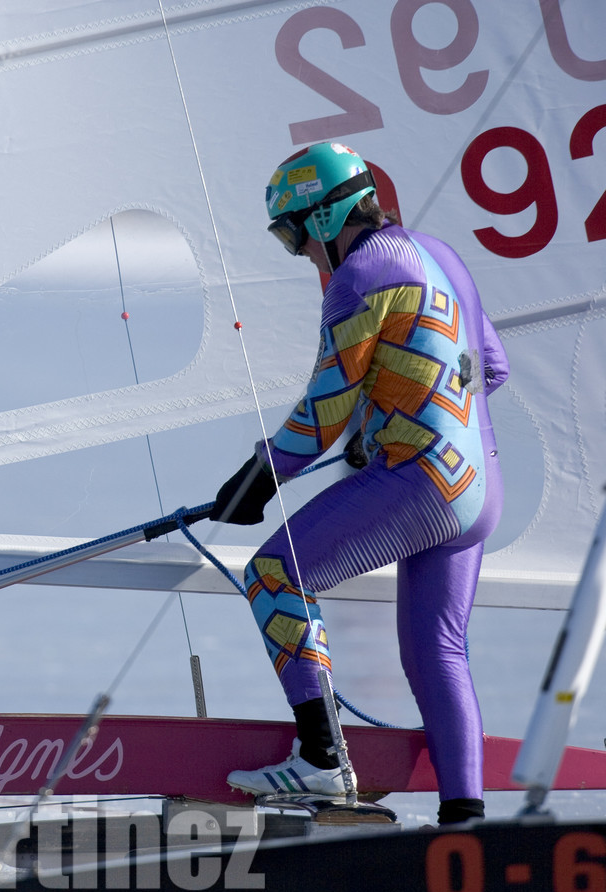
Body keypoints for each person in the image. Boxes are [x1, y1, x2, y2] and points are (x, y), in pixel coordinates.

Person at [212, 141, 507, 826]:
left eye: (293, 239)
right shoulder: (442, 256)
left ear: (321, 220)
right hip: (480, 487)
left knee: (274, 574)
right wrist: (396, 422)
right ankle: (465, 824)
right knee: (437, 652)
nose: (303, 258)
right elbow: (492, 368)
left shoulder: (358, 280)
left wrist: (260, 475)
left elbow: (322, 413)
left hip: (422, 483)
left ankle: (319, 756)